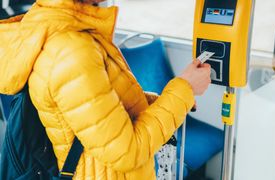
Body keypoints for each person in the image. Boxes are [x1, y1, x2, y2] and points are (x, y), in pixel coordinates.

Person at [0, 0, 211, 179]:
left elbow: (105, 105)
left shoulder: (67, 27)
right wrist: (185, 89)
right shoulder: (72, 50)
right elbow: (127, 152)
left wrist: (168, 101)